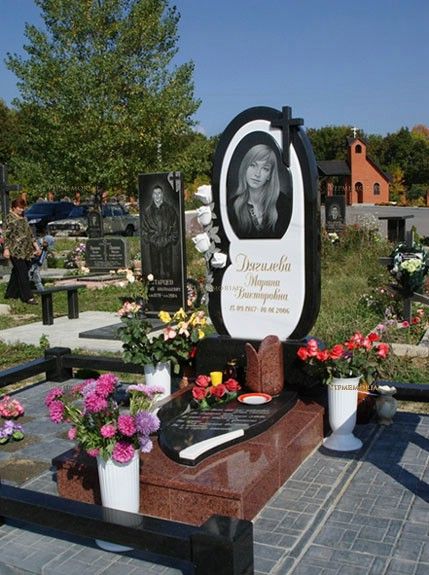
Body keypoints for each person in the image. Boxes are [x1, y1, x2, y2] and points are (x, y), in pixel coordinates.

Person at [228, 143, 290, 239]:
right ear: (245, 168)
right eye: (253, 165)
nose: (257, 174)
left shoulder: (284, 204)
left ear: (270, 175)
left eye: (265, 168)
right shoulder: (232, 207)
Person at [3, 198, 41, 304]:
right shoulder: (9, 219)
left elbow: (29, 233)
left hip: (26, 250)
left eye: (22, 208)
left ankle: (10, 294)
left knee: (17, 272)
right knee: (23, 273)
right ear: (13, 208)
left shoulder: (23, 218)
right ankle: (28, 297)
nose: (21, 210)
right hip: (15, 250)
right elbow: (5, 235)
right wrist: (6, 249)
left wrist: (36, 247)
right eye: (19, 208)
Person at [141, 185, 179, 278]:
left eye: (159, 193)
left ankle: (170, 284)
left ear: (162, 194)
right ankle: (155, 285)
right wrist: (151, 239)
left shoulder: (170, 209)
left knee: (168, 269)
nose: (157, 195)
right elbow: (144, 229)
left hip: (167, 242)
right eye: (155, 193)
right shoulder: (147, 211)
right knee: (155, 270)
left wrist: (170, 239)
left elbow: (175, 226)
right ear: (152, 195)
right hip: (153, 243)